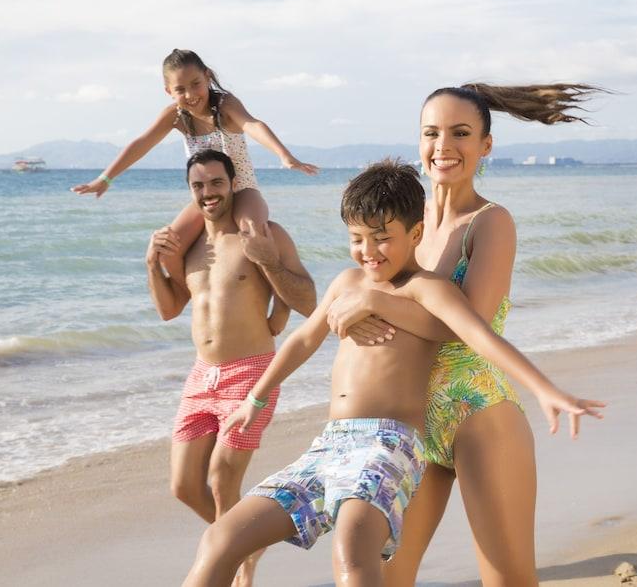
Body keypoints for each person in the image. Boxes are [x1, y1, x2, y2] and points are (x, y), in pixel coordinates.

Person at [182, 160, 603, 587]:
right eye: (358, 239)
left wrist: (545, 389)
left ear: (415, 234)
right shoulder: (346, 283)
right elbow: (302, 341)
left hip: (389, 445)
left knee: (354, 554)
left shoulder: (425, 289)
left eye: (383, 239)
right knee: (220, 538)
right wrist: (254, 400)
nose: (369, 251)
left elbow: (479, 337)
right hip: (328, 446)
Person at [324, 83, 606, 586]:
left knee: (507, 581)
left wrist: (371, 302)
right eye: (431, 133)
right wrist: (342, 312)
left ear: (485, 146)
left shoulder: (490, 223)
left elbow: (464, 325)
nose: (443, 146)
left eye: (460, 133)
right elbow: (359, 306)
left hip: (479, 417)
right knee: (384, 577)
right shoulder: (400, 223)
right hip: (409, 427)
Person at [147, 149, 317, 587]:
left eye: (216, 183)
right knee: (184, 486)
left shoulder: (262, 234)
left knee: (223, 480)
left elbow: (307, 298)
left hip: (252, 371)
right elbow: (169, 309)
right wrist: (152, 264)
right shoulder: (189, 248)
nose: (208, 193)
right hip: (202, 375)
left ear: (232, 184)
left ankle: (233, 573)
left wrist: (267, 261)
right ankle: (246, 541)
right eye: (198, 186)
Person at [73, 48, 319, 334]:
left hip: (243, 189)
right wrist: (106, 179)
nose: (190, 94)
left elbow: (252, 125)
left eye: (195, 84)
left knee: (253, 232)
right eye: (180, 89)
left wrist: (283, 155)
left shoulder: (225, 105)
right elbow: (142, 143)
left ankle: (280, 304)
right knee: (169, 245)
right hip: (207, 197)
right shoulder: (176, 115)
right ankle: (188, 290)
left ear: (208, 77)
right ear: (168, 91)